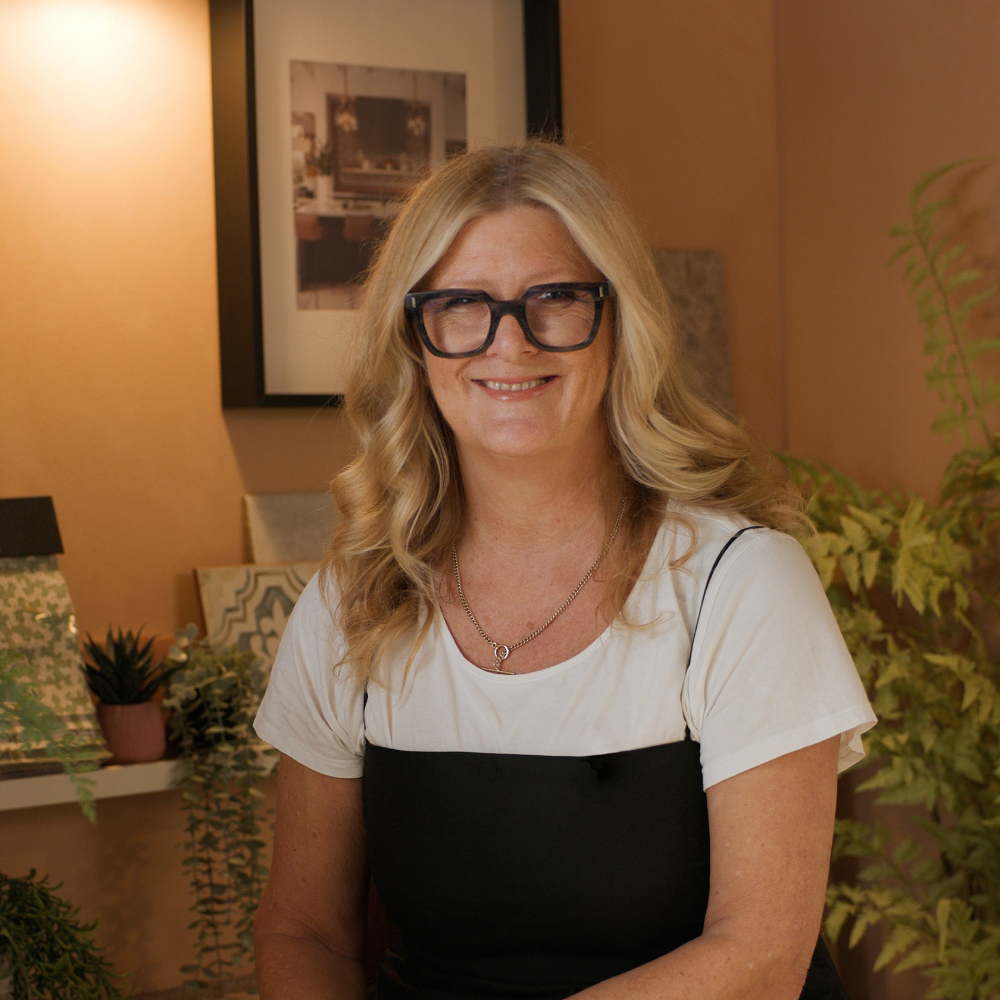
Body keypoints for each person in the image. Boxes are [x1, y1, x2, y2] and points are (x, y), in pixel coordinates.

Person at [252, 141, 877, 1000]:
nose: (509, 343)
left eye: (554, 298)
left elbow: (761, 958)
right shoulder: (354, 601)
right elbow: (306, 933)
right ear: (414, 339)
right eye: (461, 304)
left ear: (620, 325)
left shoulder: (741, 584)